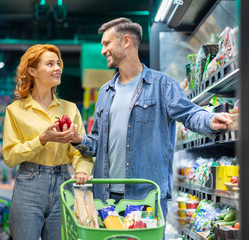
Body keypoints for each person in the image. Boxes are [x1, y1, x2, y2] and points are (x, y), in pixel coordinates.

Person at [66, 17, 232, 225]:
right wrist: (78, 138)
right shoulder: (105, 92)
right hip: (107, 197)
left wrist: (210, 119)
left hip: (145, 196)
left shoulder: (162, 85)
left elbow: (190, 113)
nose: (102, 51)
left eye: (106, 43)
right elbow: (97, 142)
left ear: (126, 41)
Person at [2, 44, 93, 240]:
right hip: (29, 185)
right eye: (50, 64)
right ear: (32, 70)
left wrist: (82, 170)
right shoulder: (15, 110)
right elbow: (10, 157)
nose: (57, 68)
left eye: (58, 63)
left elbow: (79, 150)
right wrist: (41, 140)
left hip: (63, 183)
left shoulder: (70, 109)